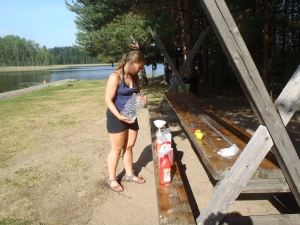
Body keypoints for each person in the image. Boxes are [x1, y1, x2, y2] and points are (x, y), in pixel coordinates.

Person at [105, 50, 148, 192]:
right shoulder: (115, 76)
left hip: (131, 115)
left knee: (129, 147)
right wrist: (118, 116)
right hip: (116, 116)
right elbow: (108, 100)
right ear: (132, 63)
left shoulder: (135, 77)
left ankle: (129, 174)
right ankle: (112, 178)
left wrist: (142, 99)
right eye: (139, 67)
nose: (141, 70)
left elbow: (137, 95)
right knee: (117, 149)